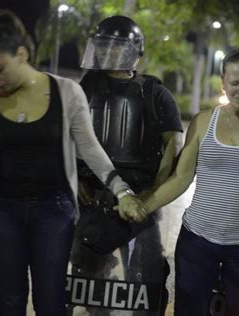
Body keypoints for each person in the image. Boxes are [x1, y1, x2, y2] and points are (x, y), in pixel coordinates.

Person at [0, 10, 146, 315]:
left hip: (53, 210)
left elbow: (90, 148)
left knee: (50, 298)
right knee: (8, 298)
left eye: (0, 68)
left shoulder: (67, 92)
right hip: (3, 210)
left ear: (22, 54)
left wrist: (122, 190)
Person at [141, 47, 239, 316]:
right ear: (223, 82)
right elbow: (181, 178)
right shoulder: (204, 121)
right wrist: (144, 206)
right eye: (235, 83)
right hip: (198, 241)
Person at [69, 15, 183, 315]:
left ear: (137, 54)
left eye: (118, 47)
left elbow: (173, 144)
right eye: (104, 46)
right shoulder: (86, 88)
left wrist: (153, 193)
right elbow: (70, 136)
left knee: (146, 273)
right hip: (91, 195)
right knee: (86, 277)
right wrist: (75, 179)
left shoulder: (156, 93)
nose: (110, 53)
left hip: (141, 197)